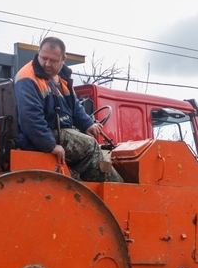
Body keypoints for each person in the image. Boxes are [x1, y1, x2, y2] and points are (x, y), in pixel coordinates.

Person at [14, 36, 122, 182]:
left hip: (55, 131)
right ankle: (115, 189)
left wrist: (87, 124)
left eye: (53, 60)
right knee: (90, 147)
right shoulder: (28, 78)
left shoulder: (62, 77)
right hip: (35, 136)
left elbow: (73, 105)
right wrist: (50, 146)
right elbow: (30, 119)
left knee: (89, 140)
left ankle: (87, 183)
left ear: (63, 59)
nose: (47, 64)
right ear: (38, 52)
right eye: (44, 58)